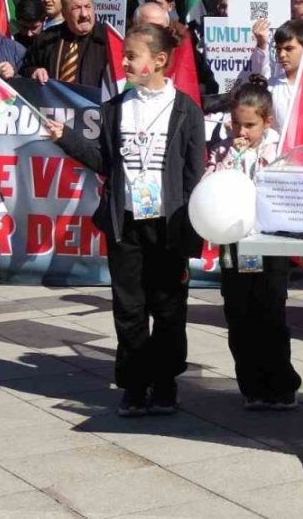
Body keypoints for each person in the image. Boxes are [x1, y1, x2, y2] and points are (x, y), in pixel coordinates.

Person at [43, 23, 205, 417]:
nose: (125, 62)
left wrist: (187, 232)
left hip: (167, 225)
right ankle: (135, 385)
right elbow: (104, 161)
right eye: (125, 56)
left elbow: (192, 176)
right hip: (125, 223)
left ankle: (165, 384)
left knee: (168, 308)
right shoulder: (115, 108)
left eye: (132, 56)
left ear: (159, 61)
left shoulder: (186, 110)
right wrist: (66, 137)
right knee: (129, 308)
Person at [205, 76, 301, 410]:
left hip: (268, 244)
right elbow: (211, 187)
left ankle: (281, 384)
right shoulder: (222, 151)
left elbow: (284, 195)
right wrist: (229, 160)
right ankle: (252, 386)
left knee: (270, 313)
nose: (241, 133)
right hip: (233, 243)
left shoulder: (279, 153)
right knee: (238, 313)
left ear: (266, 122)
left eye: (249, 126)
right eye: (236, 125)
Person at [133, 2, 223, 109]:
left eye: (161, 28)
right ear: (135, 28)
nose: (156, 34)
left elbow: (210, 84)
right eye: (149, 28)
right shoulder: (124, 56)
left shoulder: (184, 53)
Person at [20, 0, 109, 90]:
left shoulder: (108, 40)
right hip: (54, 104)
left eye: (87, 6)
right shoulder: (46, 39)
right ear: (64, 13)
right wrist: (34, 71)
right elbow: (25, 68)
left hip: (96, 105)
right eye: (76, 8)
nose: (84, 14)